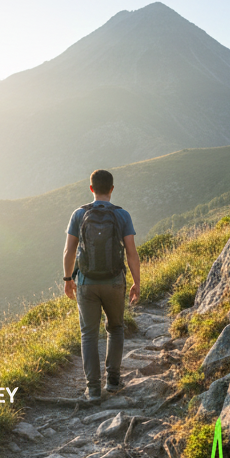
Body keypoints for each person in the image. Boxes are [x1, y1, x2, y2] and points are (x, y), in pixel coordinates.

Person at [62, 169, 140, 401]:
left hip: (86, 283)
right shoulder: (122, 215)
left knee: (88, 335)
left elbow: (69, 251)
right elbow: (131, 253)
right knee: (115, 328)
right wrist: (136, 282)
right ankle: (113, 381)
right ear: (112, 189)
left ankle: (93, 389)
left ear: (91, 188)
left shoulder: (78, 214)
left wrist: (68, 280)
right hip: (115, 282)